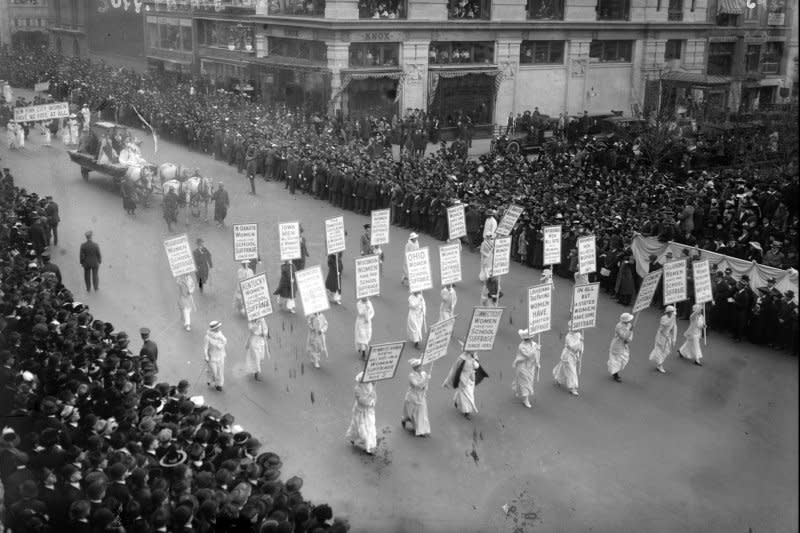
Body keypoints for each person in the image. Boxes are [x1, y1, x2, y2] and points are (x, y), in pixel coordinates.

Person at [443, 351, 485, 420]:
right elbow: (456, 368)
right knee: (467, 396)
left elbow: (477, 366)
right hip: (463, 379)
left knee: (465, 393)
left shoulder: (474, 356)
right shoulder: (462, 358)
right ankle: (467, 412)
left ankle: (456, 400)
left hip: (471, 380)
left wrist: (475, 359)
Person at [345, 372, 377, 455]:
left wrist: (373, 400)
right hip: (360, 411)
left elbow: (374, 395)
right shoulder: (357, 389)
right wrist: (370, 402)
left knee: (370, 427)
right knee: (360, 427)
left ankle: (368, 447)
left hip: (369, 411)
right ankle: (355, 438)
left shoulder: (370, 385)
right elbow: (361, 400)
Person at [401, 358, 431, 437]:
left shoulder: (424, 374)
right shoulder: (411, 376)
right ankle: (406, 420)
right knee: (413, 414)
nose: (421, 368)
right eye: (418, 367)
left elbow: (425, 386)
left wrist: (426, 383)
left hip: (421, 396)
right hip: (413, 396)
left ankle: (421, 430)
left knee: (422, 413)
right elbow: (416, 385)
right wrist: (425, 379)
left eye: (421, 366)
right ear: (415, 368)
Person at [511, 328, 540, 408]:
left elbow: (535, 354)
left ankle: (522, 393)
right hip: (523, 366)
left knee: (529, 381)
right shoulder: (521, 346)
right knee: (525, 382)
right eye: (531, 337)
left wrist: (537, 361)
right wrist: (536, 349)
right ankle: (525, 399)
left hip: (531, 366)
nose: (532, 338)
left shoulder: (534, 344)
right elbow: (528, 355)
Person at [553, 320, 584, 396]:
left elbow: (580, 347)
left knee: (563, 368)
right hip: (568, 355)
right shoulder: (568, 336)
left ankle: (558, 377)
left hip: (574, 356)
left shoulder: (579, 334)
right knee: (572, 371)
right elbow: (572, 347)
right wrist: (580, 342)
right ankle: (572, 387)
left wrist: (580, 352)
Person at [648, 305, 677, 373]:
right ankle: (659, 364)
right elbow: (666, 324)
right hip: (661, 336)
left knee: (666, 351)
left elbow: (674, 327)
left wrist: (674, 338)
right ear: (667, 312)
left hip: (668, 336)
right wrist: (673, 317)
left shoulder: (673, 318)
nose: (671, 313)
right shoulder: (663, 318)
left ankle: (659, 362)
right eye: (670, 312)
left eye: (672, 312)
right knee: (659, 350)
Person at [608, 312, 634, 382]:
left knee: (624, 358)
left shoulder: (629, 325)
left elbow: (630, 335)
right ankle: (615, 374)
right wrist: (630, 331)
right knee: (617, 360)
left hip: (624, 345)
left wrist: (629, 340)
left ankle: (613, 369)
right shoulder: (619, 326)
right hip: (617, 345)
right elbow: (623, 336)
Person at [204, 320, 227, 391]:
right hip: (212, 357)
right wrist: (206, 356)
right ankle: (209, 378)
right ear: (213, 329)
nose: (218, 328)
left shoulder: (220, 335)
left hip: (220, 356)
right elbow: (205, 348)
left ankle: (219, 385)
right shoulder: (207, 337)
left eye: (219, 327)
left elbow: (225, 341)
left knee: (220, 371)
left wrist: (221, 343)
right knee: (214, 371)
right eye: (217, 327)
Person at [245, 316, 269, 381]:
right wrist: (257, 324)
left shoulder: (262, 319)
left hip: (261, 341)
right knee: (256, 357)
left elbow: (265, 328)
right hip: (254, 341)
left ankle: (254, 368)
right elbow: (252, 330)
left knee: (261, 357)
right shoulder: (250, 321)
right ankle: (257, 373)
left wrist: (265, 333)